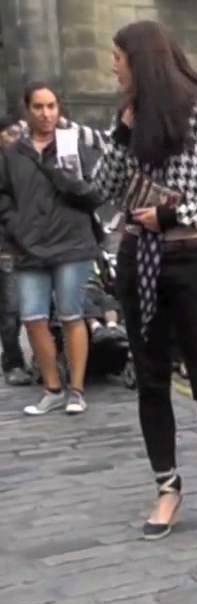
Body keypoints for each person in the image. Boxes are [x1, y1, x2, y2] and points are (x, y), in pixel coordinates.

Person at [92, 20, 197, 540]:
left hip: (194, 262)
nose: (112, 66)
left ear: (141, 60)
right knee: (151, 379)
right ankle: (168, 489)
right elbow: (104, 188)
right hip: (140, 260)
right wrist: (121, 134)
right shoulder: (127, 119)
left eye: (118, 56)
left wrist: (173, 216)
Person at [0, 83, 106, 415]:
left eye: (51, 106)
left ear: (59, 109)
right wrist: (15, 225)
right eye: (38, 107)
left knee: (71, 314)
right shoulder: (13, 153)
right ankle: (52, 388)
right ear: (26, 110)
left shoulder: (73, 147)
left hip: (72, 242)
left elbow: (96, 193)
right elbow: (3, 195)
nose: (46, 114)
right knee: (33, 318)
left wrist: (66, 179)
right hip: (29, 245)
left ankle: (76, 389)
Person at [0, 114, 33, 387]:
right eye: (10, 133)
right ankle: (13, 361)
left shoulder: (25, 162)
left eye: (18, 132)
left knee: (29, 308)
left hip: (31, 244)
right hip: (7, 247)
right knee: (11, 310)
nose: (17, 138)